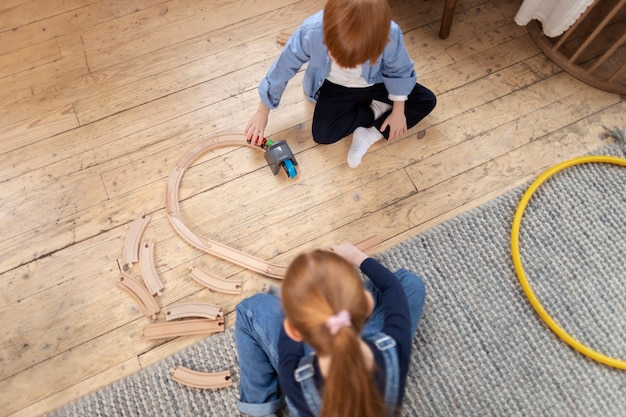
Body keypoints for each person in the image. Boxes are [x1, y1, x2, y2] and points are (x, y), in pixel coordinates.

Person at [235, 242, 426, 417]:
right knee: (408, 283)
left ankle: (260, 410)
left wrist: (300, 309)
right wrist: (360, 258)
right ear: (365, 303)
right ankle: (335, 306)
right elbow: (392, 287)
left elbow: (289, 341)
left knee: (251, 309)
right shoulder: (394, 345)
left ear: (294, 330)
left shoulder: (295, 375)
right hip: (357, 338)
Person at [244, 0, 436, 168]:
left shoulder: (390, 34)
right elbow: (283, 67)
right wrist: (263, 111)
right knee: (323, 134)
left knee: (426, 100)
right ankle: (375, 109)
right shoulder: (311, 31)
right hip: (334, 86)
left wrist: (399, 110)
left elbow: (400, 70)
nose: (349, 65)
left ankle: (372, 133)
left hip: (377, 81)